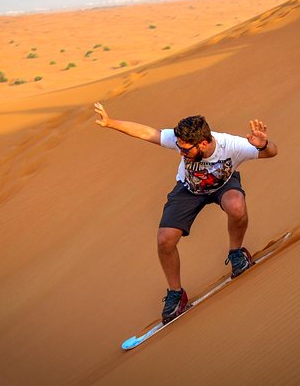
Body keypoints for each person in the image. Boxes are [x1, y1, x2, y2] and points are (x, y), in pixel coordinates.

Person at [94, 102, 278, 323]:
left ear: (203, 142)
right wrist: (111, 122)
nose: (180, 152)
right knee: (165, 240)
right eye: (179, 147)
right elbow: (146, 132)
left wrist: (263, 144)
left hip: (223, 185)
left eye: (185, 149)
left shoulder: (232, 145)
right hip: (189, 189)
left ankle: (237, 253)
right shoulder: (181, 140)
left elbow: (271, 153)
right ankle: (176, 294)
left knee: (236, 205)